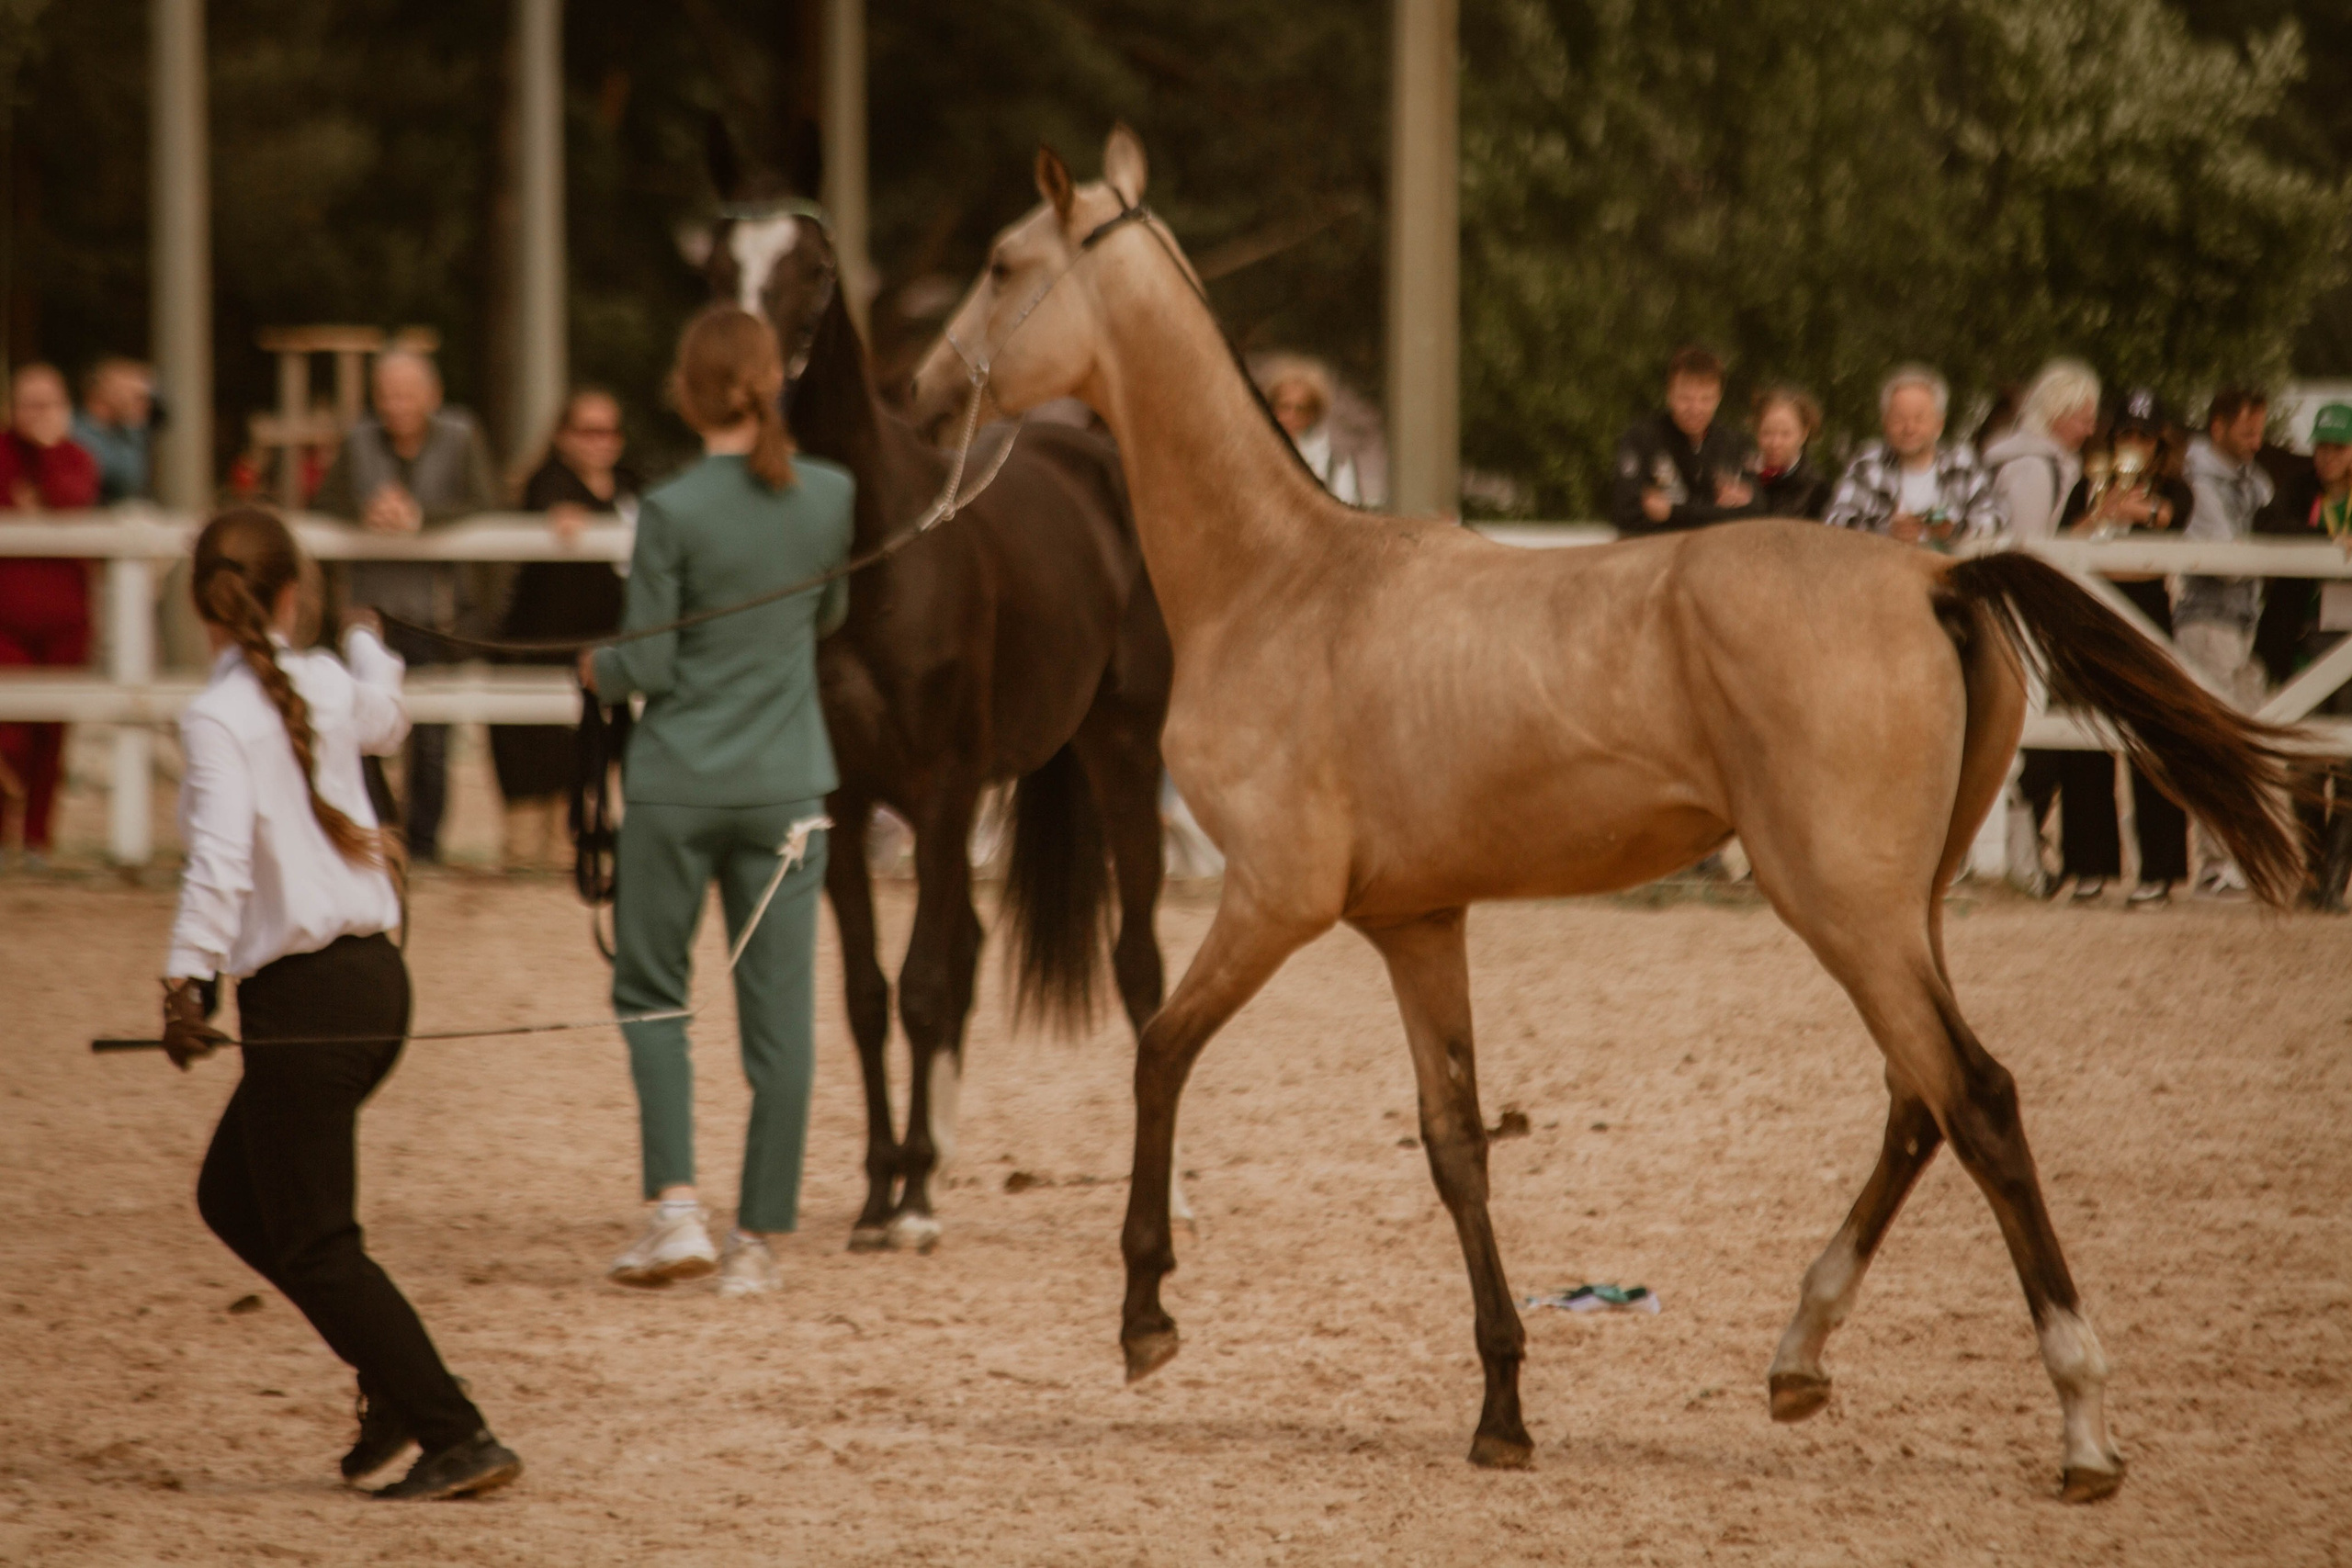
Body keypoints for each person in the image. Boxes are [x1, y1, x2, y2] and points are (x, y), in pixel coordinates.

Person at [159, 506, 521, 1499]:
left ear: (205, 610)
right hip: (373, 984)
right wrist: (368, 639)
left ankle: (453, 1428)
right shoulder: (319, 678)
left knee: (316, 1240)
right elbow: (385, 713)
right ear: (291, 597)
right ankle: (397, 1387)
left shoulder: (218, 715)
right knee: (233, 1198)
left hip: (306, 1004)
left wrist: (185, 977)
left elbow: (221, 859)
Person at [584, 306, 854, 1296]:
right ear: (774, 379)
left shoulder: (671, 509)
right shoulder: (831, 496)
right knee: (779, 1023)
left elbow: (646, 661)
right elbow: (831, 613)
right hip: (788, 784)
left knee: (654, 998)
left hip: (676, 786)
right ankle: (758, 1242)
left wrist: (596, 670)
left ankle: (677, 1213)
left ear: (686, 391)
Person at [315, 352, 498, 863]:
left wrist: (420, 516)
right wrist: (365, 513)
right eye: (387, 394)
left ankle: (422, 847)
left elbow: (487, 504)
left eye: (407, 393)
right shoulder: (357, 442)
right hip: (370, 611)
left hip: (435, 609)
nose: (396, 406)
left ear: (431, 395)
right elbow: (323, 505)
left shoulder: (462, 437)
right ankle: (378, 837)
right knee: (358, 729)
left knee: (433, 735)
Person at [2015, 392, 2194, 905]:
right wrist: (2101, 511)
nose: (2132, 444)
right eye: (2125, 435)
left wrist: (2138, 507)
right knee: (2081, 740)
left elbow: (2172, 517)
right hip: (2089, 619)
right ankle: (2089, 865)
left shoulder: (2176, 488)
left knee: (2153, 744)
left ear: (2159, 442)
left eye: (2142, 436)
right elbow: (2065, 538)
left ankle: (2160, 870)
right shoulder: (2086, 483)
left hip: (2146, 622)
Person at [492, 388, 638, 870]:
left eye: (610, 430)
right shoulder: (546, 484)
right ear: (563, 435)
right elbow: (542, 514)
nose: (602, 441)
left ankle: (562, 866)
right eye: (589, 430)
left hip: (601, 651)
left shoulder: (630, 487)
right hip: (540, 649)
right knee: (530, 805)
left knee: (578, 797)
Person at [0, 363, 102, 865]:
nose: (38, 414)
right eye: (29, 403)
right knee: (9, 732)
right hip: (7, 621)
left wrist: (44, 460)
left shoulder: (78, 459)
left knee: (51, 735)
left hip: (65, 621)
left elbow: (71, 500)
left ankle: (37, 839)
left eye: (48, 404)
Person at [2177, 387, 2275, 896]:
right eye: (2246, 430)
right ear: (2217, 427)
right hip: (2207, 618)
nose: (2256, 440)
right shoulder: (2197, 480)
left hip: (2243, 620)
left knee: (2244, 739)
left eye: (2260, 429)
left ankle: (2235, 854)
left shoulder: (2252, 481)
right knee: (2214, 740)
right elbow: (2222, 551)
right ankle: (2215, 862)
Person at [1824, 365, 2003, 544]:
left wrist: (1954, 529)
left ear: (1939, 425)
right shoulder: (1868, 462)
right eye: (1899, 418)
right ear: (1884, 423)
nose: (1909, 428)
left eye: (1919, 418)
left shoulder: (1962, 461)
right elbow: (1835, 521)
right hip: (1883, 565)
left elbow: (1996, 518)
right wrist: (1885, 531)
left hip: (1947, 566)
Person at [1610, 346, 1755, 535]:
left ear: (1719, 398)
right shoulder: (1641, 439)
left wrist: (1672, 512)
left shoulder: (1736, 445)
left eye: (1706, 399)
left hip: (1718, 553)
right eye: (1686, 398)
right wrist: (1718, 513)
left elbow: (1755, 511)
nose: (1695, 408)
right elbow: (1624, 512)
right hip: (1658, 554)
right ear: (1669, 395)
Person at [1983, 359, 2101, 540]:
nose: (2090, 431)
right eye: (2085, 421)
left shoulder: (2041, 460)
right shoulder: (2032, 468)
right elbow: (2027, 544)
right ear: (2057, 414)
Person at [1258, 355, 1362, 504]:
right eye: (1284, 406)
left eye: (1300, 409)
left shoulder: (1335, 461)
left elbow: (1348, 509)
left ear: (1313, 414)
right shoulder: (1259, 453)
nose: (1290, 416)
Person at [73, 357, 157, 504]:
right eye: (131, 390)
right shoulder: (73, 430)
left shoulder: (127, 431)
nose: (142, 401)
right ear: (104, 389)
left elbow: (134, 485)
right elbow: (121, 481)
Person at [1748, 386, 1832, 519]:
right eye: (1767, 433)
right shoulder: (1740, 475)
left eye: (1785, 434)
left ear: (1804, 434)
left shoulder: (1816, 490)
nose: (1775, 443)